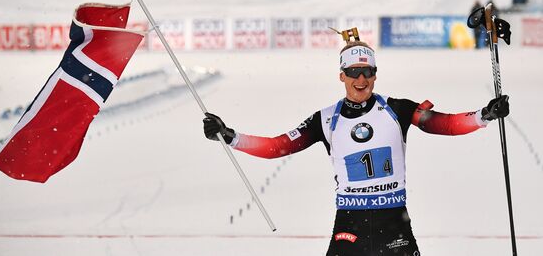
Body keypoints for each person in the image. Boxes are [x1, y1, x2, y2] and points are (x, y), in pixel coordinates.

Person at [202, 32, 510, 256]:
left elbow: (444, 124)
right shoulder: (324, 119)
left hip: (394, 226)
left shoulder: (397, 109)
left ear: (375, 75)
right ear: (341, 75)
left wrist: (484, 115)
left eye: (367, 72)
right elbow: (277, 147)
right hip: (350, 227)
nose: (360, 79)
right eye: (353, 72)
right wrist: (229, 135)